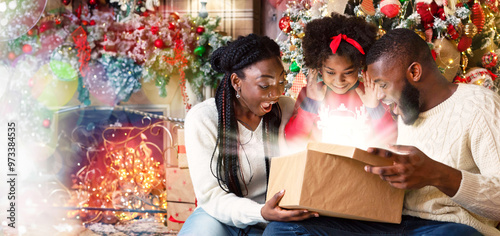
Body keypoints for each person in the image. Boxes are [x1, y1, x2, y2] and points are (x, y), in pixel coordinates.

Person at [263, 28, 500, 235]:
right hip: (388, 223)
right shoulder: (401, 110)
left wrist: (436, 174)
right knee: (283, 230)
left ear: (414, 72)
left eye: (383, 85)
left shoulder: (479, 106)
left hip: (446, 227)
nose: (380, 95)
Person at [178, 34, 318, 236]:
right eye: (264, 85)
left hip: (277, 217)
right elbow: (212, 196)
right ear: (237, 82)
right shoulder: (204, 119)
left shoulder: (285, 108)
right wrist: (260, 212)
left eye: (281, 82)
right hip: (219, 216)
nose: (276, 93)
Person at [284, 13, 397, 152]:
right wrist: (311, 103)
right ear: (319, 67)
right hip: (319, 170)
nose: (339, 81)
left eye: (348, 72)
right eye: (331, 72)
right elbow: (292, 140)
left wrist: (374, 108)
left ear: (359, 66)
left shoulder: (371, 95)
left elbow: (390, 142)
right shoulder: (309, 94)